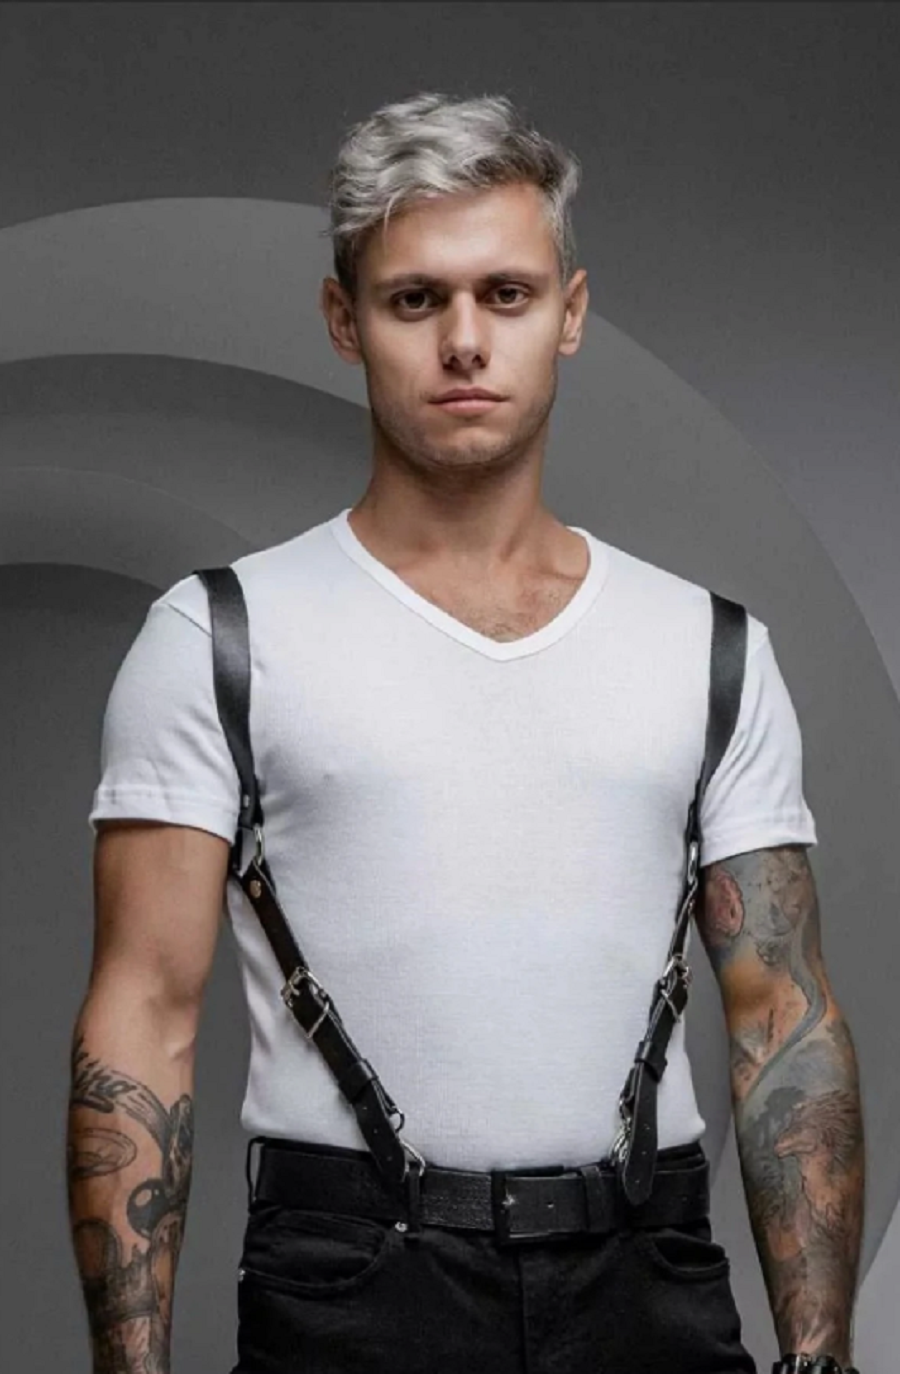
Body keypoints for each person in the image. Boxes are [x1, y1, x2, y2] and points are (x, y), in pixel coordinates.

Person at [68, 91, 865, 1374]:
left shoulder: (709, 647)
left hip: (647, 1278)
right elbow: (142, 1021)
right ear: (345, 321)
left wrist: (820, 1359)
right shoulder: (218, 638)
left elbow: (784, 1018)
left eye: (506, 294)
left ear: (571, 314)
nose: (464, 342)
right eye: (414, 299)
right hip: (349, 1282)